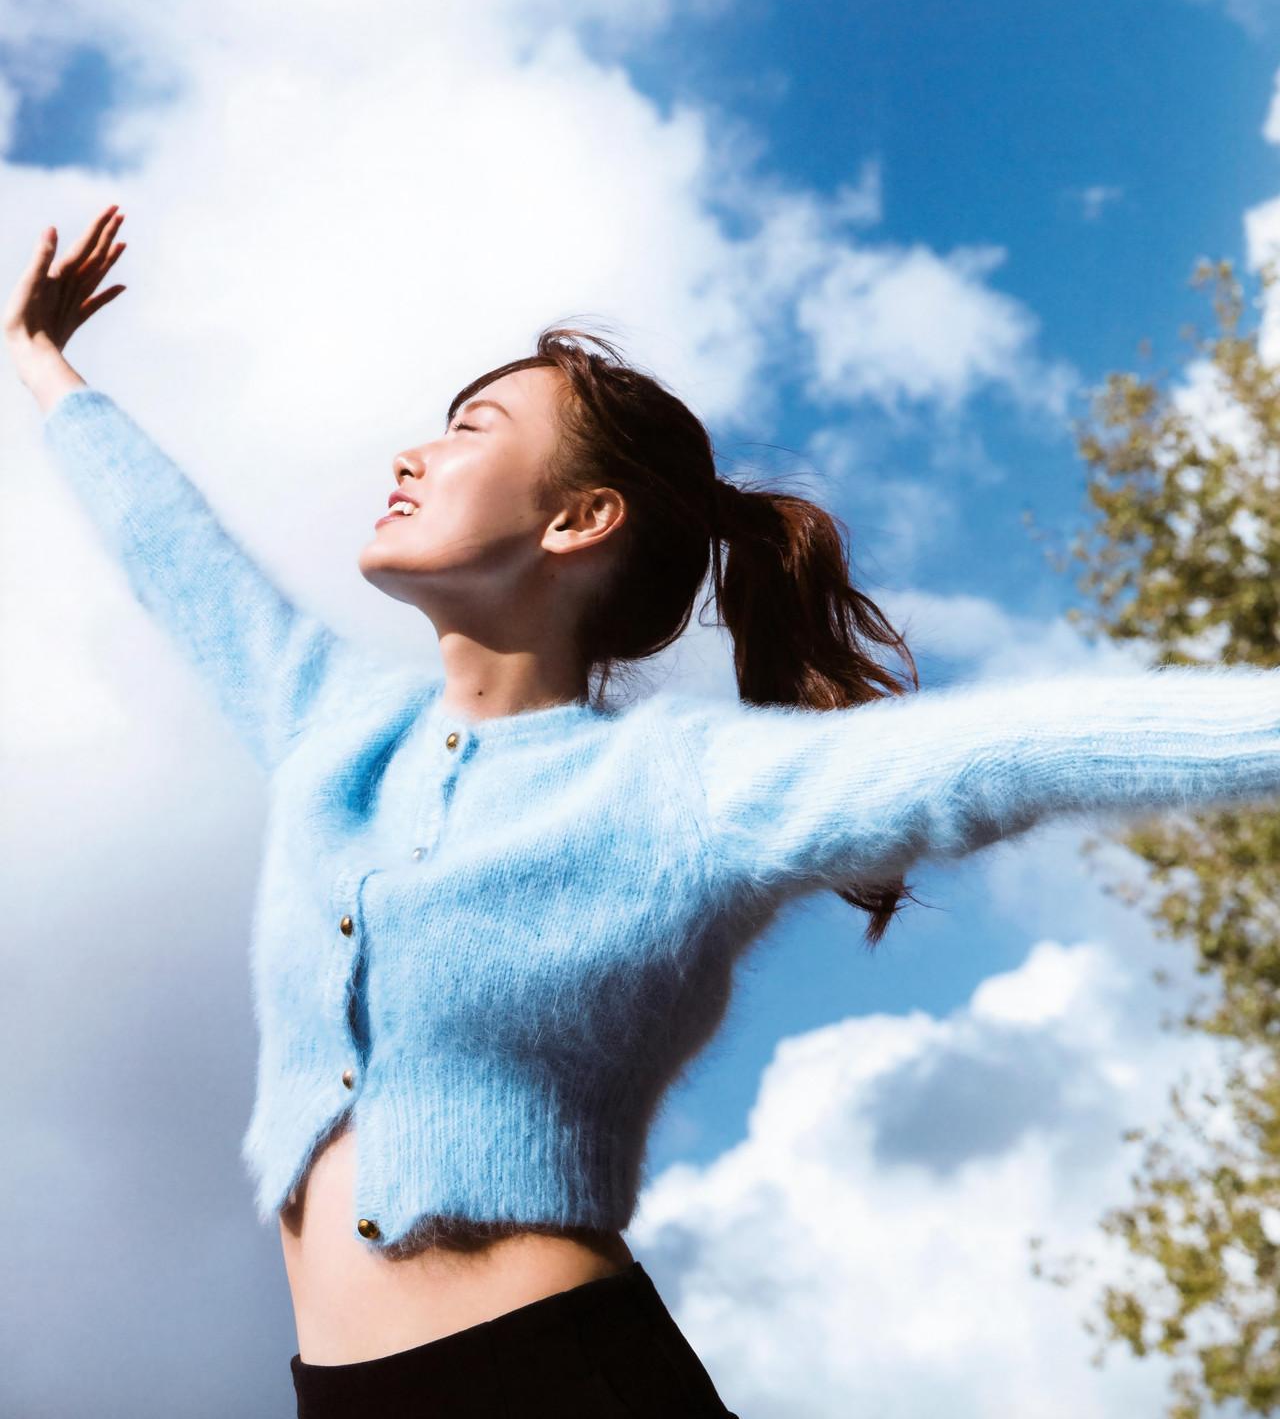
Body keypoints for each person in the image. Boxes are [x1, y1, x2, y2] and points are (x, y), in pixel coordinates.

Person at [8, 204, 1278, 1419]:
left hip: (555, 1386)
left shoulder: (675, 791)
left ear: (577, 517)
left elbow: (1000, 753)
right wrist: (43, 361)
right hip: (336, 1396)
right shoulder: (324, 724)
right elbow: (172, 552)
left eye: (470, 429)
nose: (412, 452)